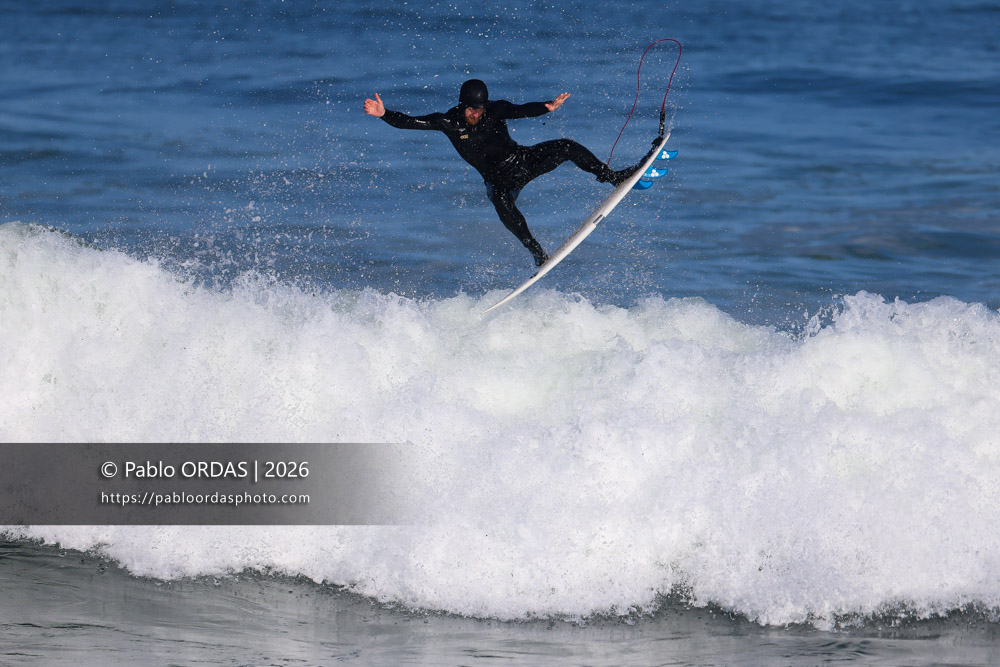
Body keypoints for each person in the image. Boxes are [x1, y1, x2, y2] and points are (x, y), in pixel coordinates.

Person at [363, 79, 646, 267]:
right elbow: (411, 122)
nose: (478, 113)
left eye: (481, 108)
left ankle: (613, 178)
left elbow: (520, 110)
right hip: (498, 179)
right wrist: (384, 113)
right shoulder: (448, 121)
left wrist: (546, 107)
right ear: (463, 105)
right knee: (500, 202)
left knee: (565, 146)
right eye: (473, 109)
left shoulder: (494, 111)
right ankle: (537, 253)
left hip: (522, 160)